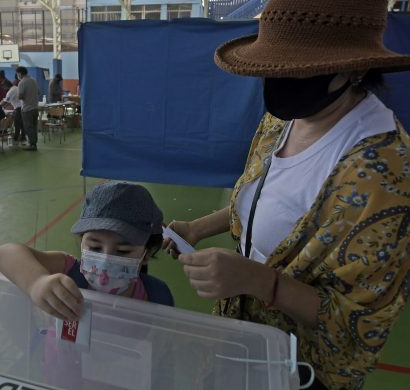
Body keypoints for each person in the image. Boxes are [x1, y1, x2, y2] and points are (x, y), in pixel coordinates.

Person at [163, 1, 410, 389]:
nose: (284, 77)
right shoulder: (284, 119)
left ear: (357, 67)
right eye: (275, 64)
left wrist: (261, 282)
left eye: (304, 68)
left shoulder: (382, 173)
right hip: (245, 341)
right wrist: (198, 228)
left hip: (302, 371)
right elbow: (268, 198)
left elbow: (357, 324)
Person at [0, 182, 174, 321]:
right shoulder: (69, 272)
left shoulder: (156, 295)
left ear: (147, 253)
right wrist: (36, 281)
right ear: (82, 242)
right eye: (95, 247)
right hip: (61, 367)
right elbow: (5, 253)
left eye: (122, 251)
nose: (105, 260)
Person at [16, 66, 39, 151]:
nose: (17, 75)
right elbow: (38, 92)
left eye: (17, 74)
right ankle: (34, 143)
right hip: (35, 107)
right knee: (34, 126)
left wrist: (18, 95)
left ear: (20, 73)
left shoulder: (22, 82)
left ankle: (32, 145)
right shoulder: (34, 80)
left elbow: (20, 96)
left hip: (27, 108)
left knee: (28, 127)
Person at [1, 79, 25, 145]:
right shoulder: (16, 87)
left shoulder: (11, 91)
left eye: (3, 87)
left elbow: (6, 101)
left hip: (18, 108)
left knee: (17, 124)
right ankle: (23, 137)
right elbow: (7, 102)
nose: (3, 88)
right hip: (22, 107)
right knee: (22, 124)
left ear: (6, 86)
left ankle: (16, 138)